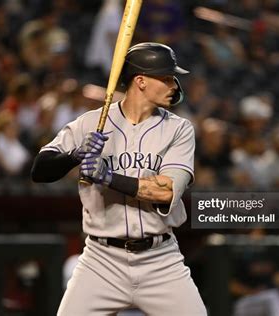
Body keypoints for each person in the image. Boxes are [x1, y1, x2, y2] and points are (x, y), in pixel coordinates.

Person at [31, 42, 206, 315]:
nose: (174, 84)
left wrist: (107, 176)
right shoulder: (90, 123)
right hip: (101, 260)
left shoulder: (179, 129)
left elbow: (166, 193)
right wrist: (76, 155)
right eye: (166, 77)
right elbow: (40, 171)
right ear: (141, 81)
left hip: (159, 259)